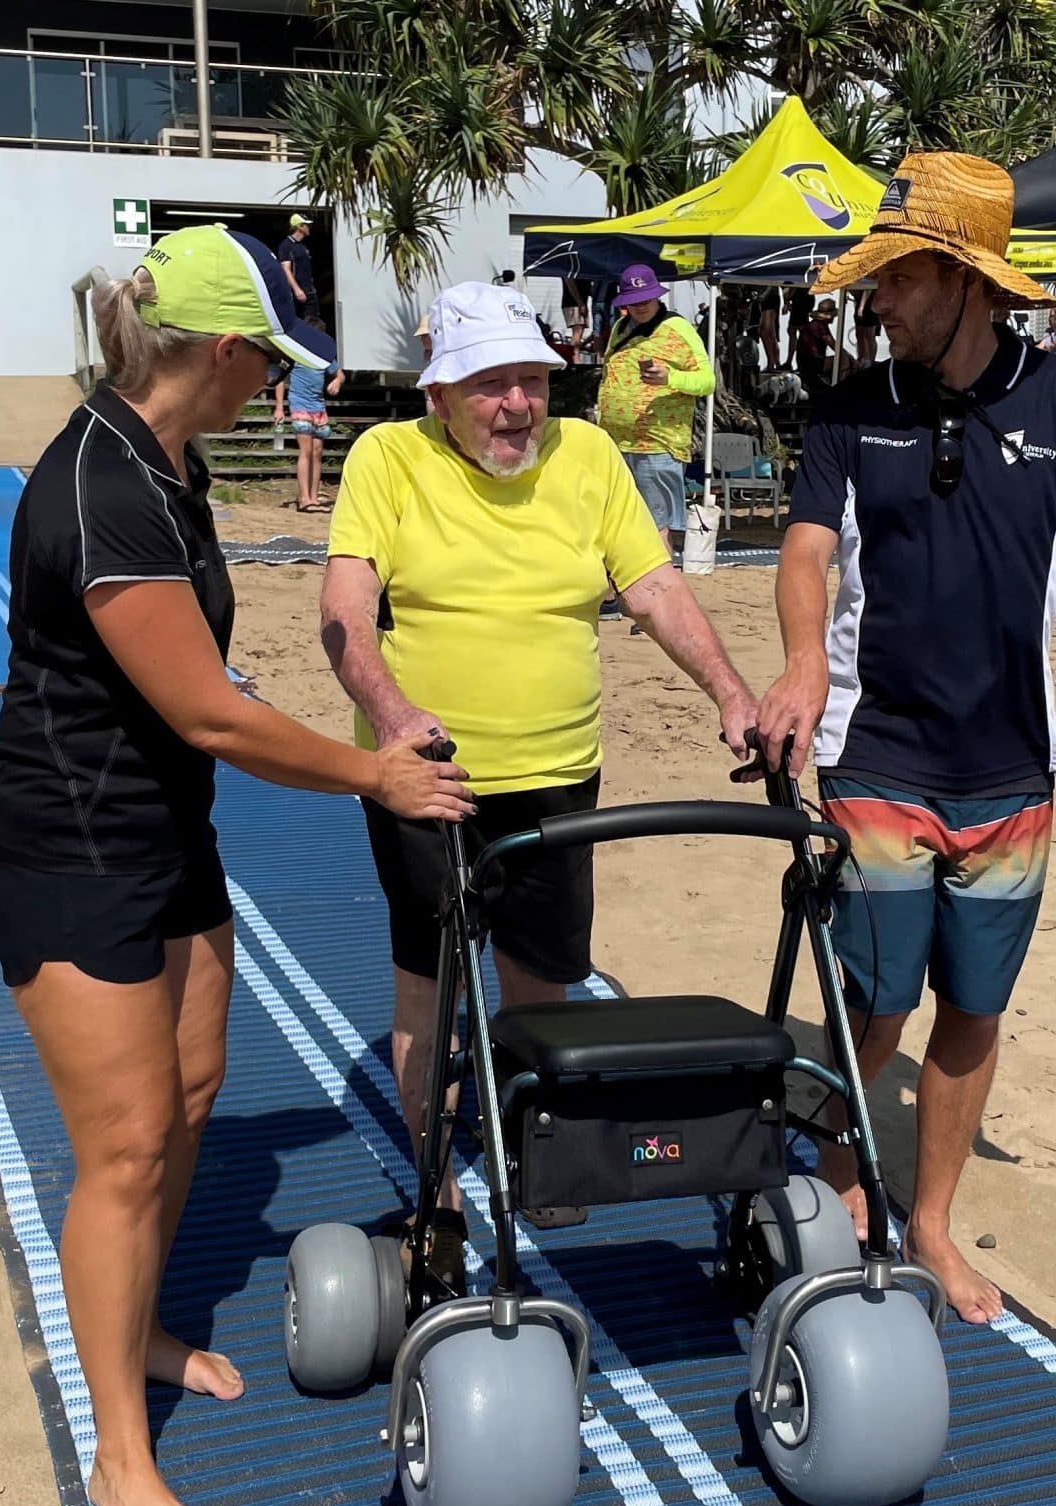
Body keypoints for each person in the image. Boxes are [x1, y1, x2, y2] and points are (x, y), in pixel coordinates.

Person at [0, 225, 471, 1506]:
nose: (275, 386)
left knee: (192, 1093)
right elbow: (210, 714)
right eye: (272, 361)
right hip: (64, 854)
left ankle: (144, 1329)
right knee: (124, 1147)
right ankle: (120, 1455)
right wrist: (375, 775)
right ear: (228, 353)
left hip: (162, 841)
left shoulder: (168, 465)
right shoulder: (100, 487)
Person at [755, 154, 1056, 1326]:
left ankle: (928, 1219)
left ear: (964, 282)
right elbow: (802, 551)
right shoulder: (851, 405)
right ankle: (839, 1176)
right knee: (875, 996)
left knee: (972, 1004)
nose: (873, 300)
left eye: (894, 278)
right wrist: (795, 664)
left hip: (1010, 771)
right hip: (870, 749)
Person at [320, 281, 758, 1290]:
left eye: (531, 380)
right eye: (491, 385)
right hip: (425, 778)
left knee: (543, 976)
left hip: (558, 771)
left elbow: (650, 585)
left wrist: (726, 688)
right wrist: (393, 718)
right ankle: (436, 1187)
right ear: (439, 394)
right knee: (427, 991)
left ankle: (533, 1138)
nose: (518, 404)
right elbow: (344, 607)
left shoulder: (589, 456)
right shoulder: (388, 459)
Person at [596, 263, 715, 559]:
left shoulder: (677, 328)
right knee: (620, 521)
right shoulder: (621, 329)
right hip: (615, 442)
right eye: (632, 301)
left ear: (657, 296)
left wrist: (670, 378)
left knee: (656, 523)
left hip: (657, 443)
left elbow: (707, 380)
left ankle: (663, 589)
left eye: (644, 300)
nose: (639, 307)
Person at [281, 317, 343, 514]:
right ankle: (304, 499)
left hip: (318, 405)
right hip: (299, 403)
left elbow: (339, 373)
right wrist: (278, 407)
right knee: (306, 450)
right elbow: (280, 379)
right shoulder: (296, 353)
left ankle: (313, 497)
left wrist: (337, 381)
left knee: (317, 452)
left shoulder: (323, 356)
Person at [275, 213, 317, 317]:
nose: (309, 228)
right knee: (302, 321)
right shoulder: (286, 245)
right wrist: (297, 290)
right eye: (307, 225)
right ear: (299, 226)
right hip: (298, 291)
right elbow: (286, 269)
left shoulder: (302, 246)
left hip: (309, 289)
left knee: (312, 320)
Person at [797, 296, 837, 398]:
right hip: (811, 363)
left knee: (839, 358)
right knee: (841, 359)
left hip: (805, 362)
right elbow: (833, 345)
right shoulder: (820, 325)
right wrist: (850, 358)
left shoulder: (814, 324)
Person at [854, 291, 880, 367]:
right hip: (862, 303)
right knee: (860, 334)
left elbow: (868, 289)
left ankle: (869, 360)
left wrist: (861, 306)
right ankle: (862, 358)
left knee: (868, 335)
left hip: (870, 304)